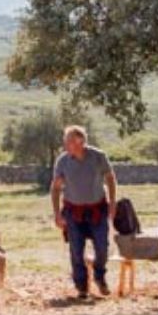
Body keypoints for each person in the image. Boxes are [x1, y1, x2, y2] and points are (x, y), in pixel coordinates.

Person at [51, 125, 117, 300]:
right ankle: (81, 287)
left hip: (97, 210)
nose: (66, 145)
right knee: (76, 251)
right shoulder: (63, 161)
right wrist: (57, 213)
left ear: (81, 142)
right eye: (66, 141)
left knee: (102, 248)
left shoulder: (98, 157)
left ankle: (99, 276)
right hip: (73, 212)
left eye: (70, 141)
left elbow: (110, 178)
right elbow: (56, 188)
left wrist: (112, 203)